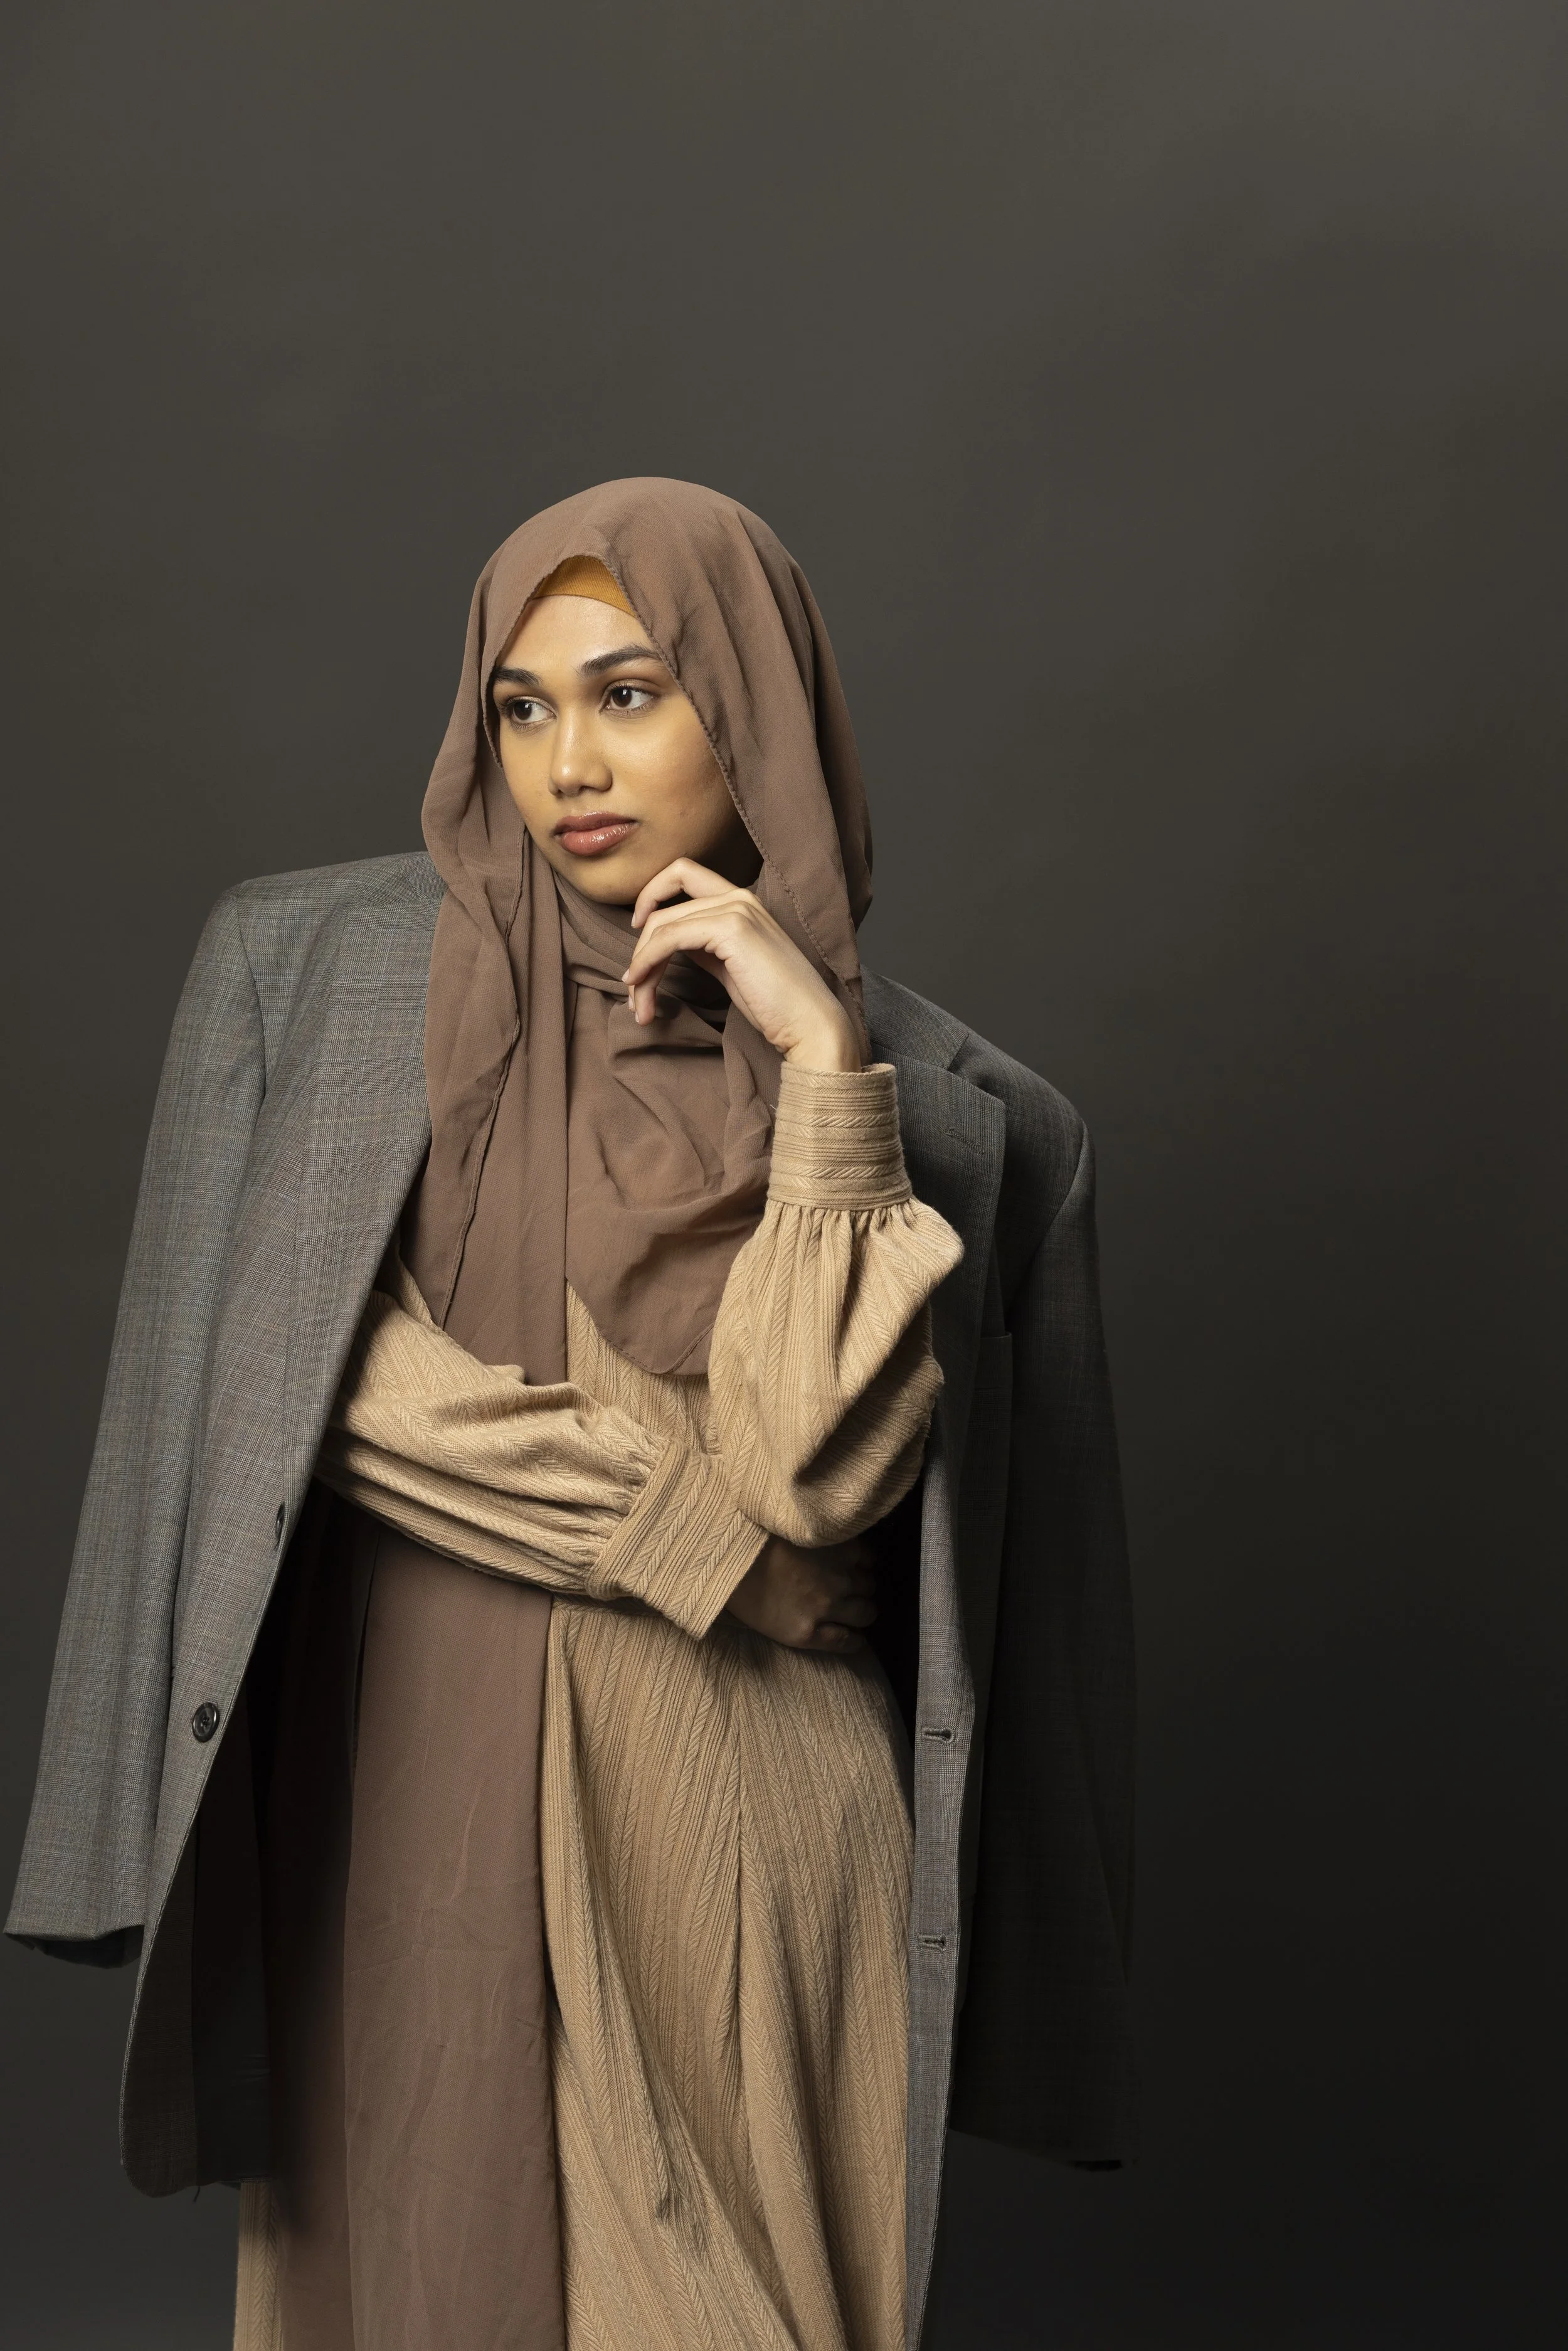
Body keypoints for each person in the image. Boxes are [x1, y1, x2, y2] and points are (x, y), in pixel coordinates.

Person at [7, 479, 1135, 2351]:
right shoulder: (314, 978)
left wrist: (826, 1077)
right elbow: (275, 1383)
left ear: (751, 704)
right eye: (521, 704)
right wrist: (708, 1556)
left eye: (630, 693)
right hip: (411, 1820)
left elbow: (811, 1470)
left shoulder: (966, 1114)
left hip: (754, 1855)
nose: (566, 761)